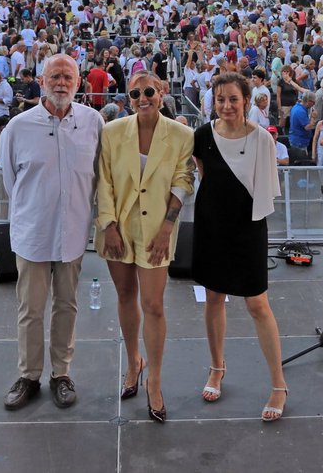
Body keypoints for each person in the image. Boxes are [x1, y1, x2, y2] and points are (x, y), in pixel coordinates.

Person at [0, 54, 104, 412]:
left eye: (68, 77)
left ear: (79, 83)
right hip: (33, 235)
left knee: (67, 306)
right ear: (41, 81)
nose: (61, 83)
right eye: (55, 76)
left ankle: (61, 374)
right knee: (30, 309)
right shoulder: (18, 127)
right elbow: (11, 181)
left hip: (73, 234)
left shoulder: (93, 123)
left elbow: (99, 176)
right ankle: (29, 376)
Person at [96, 71, 194, 423]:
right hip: (117, 228)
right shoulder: (111, 132)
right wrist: (108, 224)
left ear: (163, 92)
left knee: (153, 305)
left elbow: (184, 180)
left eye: (149, 91)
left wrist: (168, 227)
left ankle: (155, 380)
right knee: (125, 296)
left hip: (157, 231)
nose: (142, 98)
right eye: (135, 93)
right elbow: (103, 180)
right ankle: (133, 361)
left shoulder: (182, 135)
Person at [192, 72, 288, 423]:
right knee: (213, 297)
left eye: (233, 99)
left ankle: (278, 384)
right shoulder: (201, 136)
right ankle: (217, 368)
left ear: (246, 100)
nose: (227, 105)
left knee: (257, 304)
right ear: (213, 102)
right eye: (220, 99)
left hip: (247, 229)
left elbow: (265, 190)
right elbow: (204, 176)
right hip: (211, 227)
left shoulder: (262, 139)